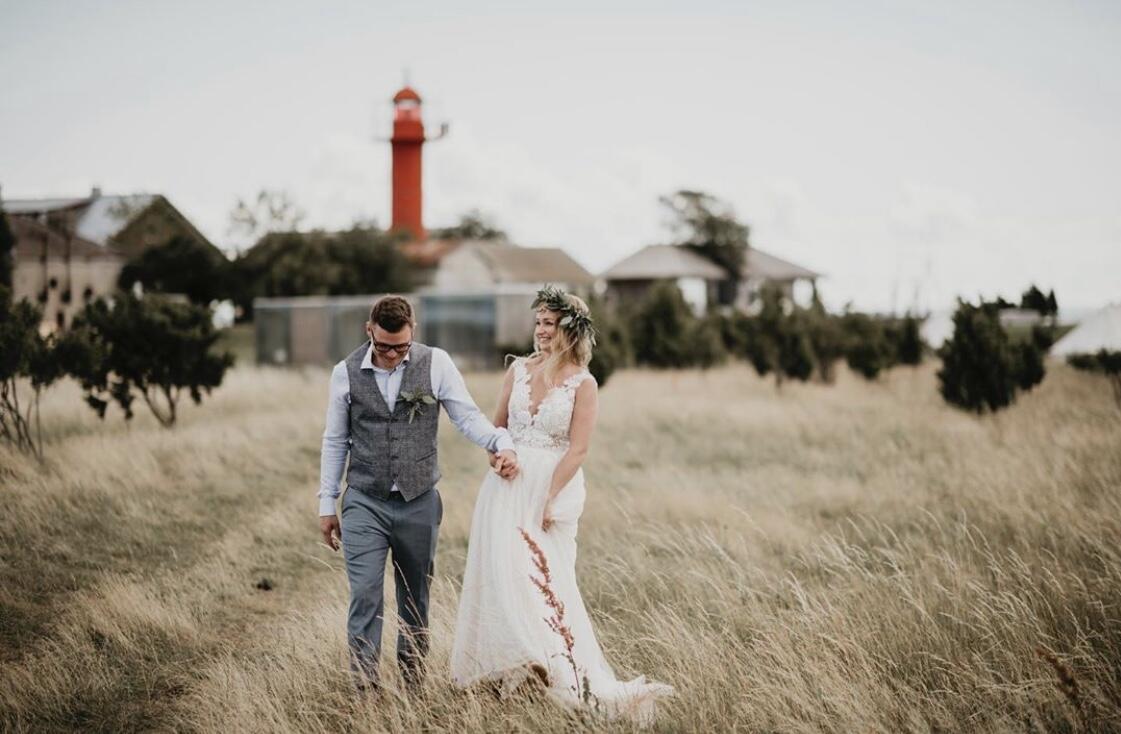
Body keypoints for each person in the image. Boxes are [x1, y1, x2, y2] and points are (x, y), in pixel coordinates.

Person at [451, 286, 673, 724]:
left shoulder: (583, 383)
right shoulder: (517, 370)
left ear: (569, 331)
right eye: (538, 323)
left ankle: (551, 668)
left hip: (552, 489)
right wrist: (498, 456)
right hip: (505, 488)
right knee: (500, 574)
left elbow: (578, 449)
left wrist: (548, 497)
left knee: (540, 579)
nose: (540, 331)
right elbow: (496, 428)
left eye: (549, 324)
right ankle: (509, 669)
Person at [318, 295, 519, 691]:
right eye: (383, 347)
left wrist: (501, 443)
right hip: (364, 500)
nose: (393, 355)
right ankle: (365, 689)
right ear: (369, 331)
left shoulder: (436, 363)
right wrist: (327, 503)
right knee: (365, 594)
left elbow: (466, 416)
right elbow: (335, 439)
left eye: (401, 347)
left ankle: (413, 684)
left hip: (419, 502)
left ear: (413, 332)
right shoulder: (344, 373)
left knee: (415, 599)